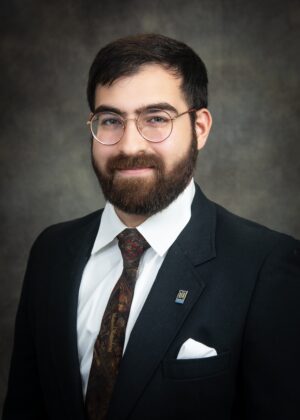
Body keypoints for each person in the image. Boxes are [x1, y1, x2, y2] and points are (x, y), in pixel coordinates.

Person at [2, 34, 300, 420]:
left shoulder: (267, 265)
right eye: (110, 120)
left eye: (156, 119)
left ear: (201, 127)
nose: (128, 146)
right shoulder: (52, 250)